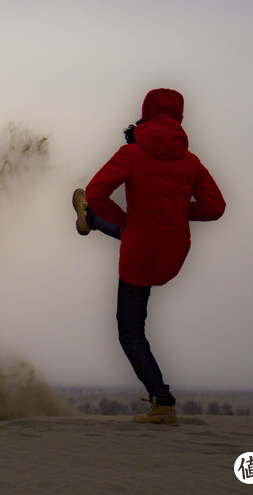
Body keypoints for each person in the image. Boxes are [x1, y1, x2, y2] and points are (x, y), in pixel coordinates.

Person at [72, 88, 225, 424]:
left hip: (139, 254)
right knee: (132, 233)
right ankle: (95, 221)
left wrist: (126, 218)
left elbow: (96, 191)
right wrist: (178, 212)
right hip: (174, 254)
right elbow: (216, 208)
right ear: (179, 120)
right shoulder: (192, 163)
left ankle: (163, 402)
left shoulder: (132, 154)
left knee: (130, 331)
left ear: (146, 113)